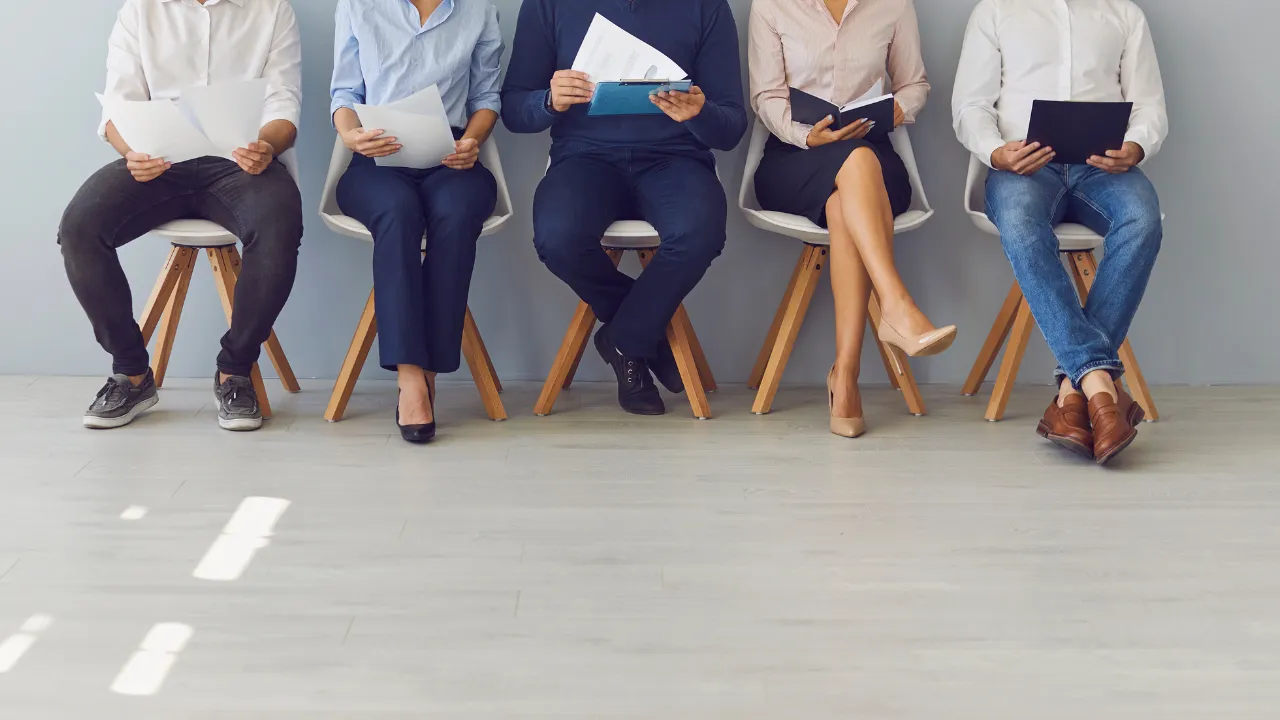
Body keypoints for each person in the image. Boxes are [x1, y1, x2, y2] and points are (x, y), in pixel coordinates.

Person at [60, 0, 303, 432]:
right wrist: (130, 152)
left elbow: (284, 100)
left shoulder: (271, 9)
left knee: (279, 224)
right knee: (79, 226)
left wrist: (266, 144)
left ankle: (235, 371)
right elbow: (117, 104)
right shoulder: (139, 9)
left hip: (240, 161)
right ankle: (132, 373)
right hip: (157, 161)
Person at [501, 0, 748, 416]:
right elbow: (513, 109)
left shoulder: (706, 7)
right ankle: (644, 334)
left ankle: (624, 340)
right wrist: (549, 100)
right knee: (557, 236)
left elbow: (731, 126)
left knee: (699, 232)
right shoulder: (549, 4)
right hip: (584, 157)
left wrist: (699, 112)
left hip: (676, 158)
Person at [953, 0, 1167, 465]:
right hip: (1023, 168)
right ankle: (1101, 388)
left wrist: (1136, 146)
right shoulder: (995, 11)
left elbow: (1150, 104)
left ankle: (1076, 391)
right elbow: (969, 105)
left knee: (1143, 220)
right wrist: (996, 152)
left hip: (1102, 169)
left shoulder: (1123, 14)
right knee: (1025, 230)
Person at [749, 0, 957, 439]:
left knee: (847, 198)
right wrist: (807, 134)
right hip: (795, 157)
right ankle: (896, 307)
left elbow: (914, 84)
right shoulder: (771, 5)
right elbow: (766, 96)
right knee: (851, 174)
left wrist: (898, 110)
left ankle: (845, 375)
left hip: (875, 158)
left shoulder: (893, 4)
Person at [330, 0, 503, 444]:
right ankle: (411, 378)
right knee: (398, 212)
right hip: (376, 161)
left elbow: (485, 98)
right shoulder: (357, 5)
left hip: (451, 158)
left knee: (457, 211)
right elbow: (345, 95)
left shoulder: (479, 9)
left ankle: (431, 371)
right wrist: (352, 136)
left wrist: (472, 140)